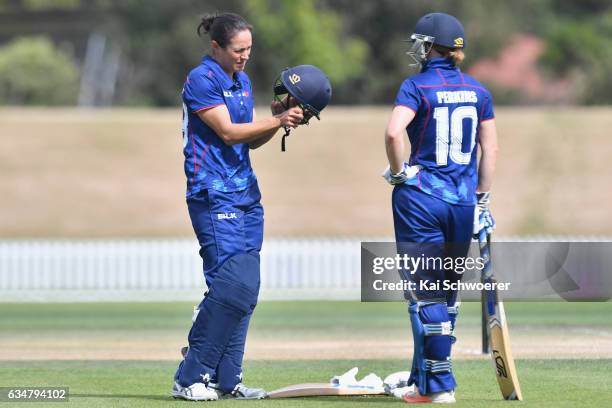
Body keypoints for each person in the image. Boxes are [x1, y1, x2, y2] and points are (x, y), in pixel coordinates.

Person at [171, 12, 305, 401]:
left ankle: (227, 380)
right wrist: (277, 119)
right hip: (212, 195)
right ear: (216, 47)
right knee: (233, 287)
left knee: (247, 291)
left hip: (247, 194)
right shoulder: (202, 80)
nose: (245, 56)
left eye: (249, 49)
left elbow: (247, 141)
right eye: (238, 49)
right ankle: (190, 375)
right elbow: (228, 132)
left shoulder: (241, 81)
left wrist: (279, 122)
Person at [383, 12, 498, 404]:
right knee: (446, 295)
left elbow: (394, 131)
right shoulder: (479, 90)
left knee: (426, 294)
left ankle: (438, 387)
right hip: (463, 202)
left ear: (430, 46)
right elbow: (491, 147)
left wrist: (400, 173)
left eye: (421, 42)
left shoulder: (415, 86)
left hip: (422, 199)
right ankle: (423, 376)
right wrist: (481, 196)